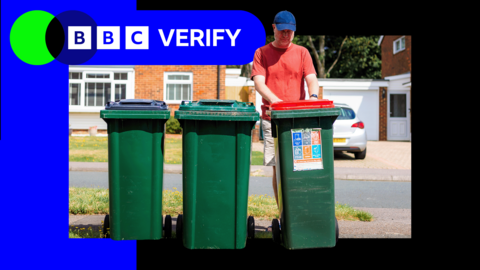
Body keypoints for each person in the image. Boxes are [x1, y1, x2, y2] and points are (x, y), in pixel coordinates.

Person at [250, 11, 319, 228]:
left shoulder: (302, 52)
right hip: (272, 117)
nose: (286, 34)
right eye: (282, 30)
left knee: (303, 165)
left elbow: (311, 78)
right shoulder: (261, 53)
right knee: (278, 167)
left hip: (297, 118)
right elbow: (259, 83)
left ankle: (302, 211)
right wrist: (275, 101)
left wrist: (314, 97)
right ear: (273, 28)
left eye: (290, 31)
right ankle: (284, 215)